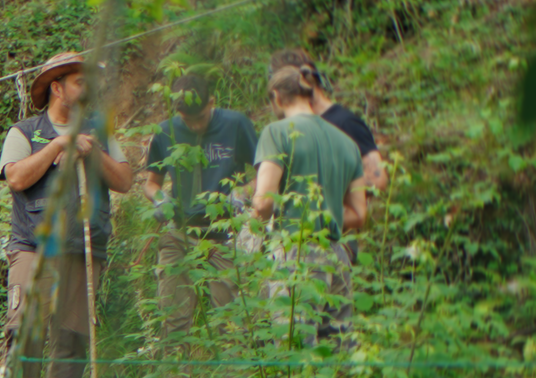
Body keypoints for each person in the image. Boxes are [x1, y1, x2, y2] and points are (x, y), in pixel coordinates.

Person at [0, 51, 134, 378]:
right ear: (58, 88)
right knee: (25, 328)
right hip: (32, 248)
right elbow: (16, 177)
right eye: (80, 82)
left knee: (72, 333)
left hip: (84, 247)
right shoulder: (24, 131)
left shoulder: (100, 131)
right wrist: (60, 145)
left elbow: (125, 180)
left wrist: (94, 153)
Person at [253, 66, 369, 344]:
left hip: (297, 256)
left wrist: (251, 227)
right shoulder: (347, 142)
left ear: (277, 97)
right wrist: (324, 215)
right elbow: (358, 214)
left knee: (295, 353)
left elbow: (264, 202)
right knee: (337, 360)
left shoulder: (277, 133)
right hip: (336, 258)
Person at [142, 69, 258, 339]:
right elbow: (151, 183)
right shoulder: (165, 132)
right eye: (187, 120)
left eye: (201, 118)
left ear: (212, 102)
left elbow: (266, 173)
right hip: (180, 233)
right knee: (173, 322)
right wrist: (160, 199)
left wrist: (242, 193)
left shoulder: (236, 125)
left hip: (225, 234)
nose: (194, 126)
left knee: (231, 326)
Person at [269, 49, 387, 265]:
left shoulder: (344, 122)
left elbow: (378, 179)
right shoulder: (290, 127)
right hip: (295, 242)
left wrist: (330, 200)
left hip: (335, 242)